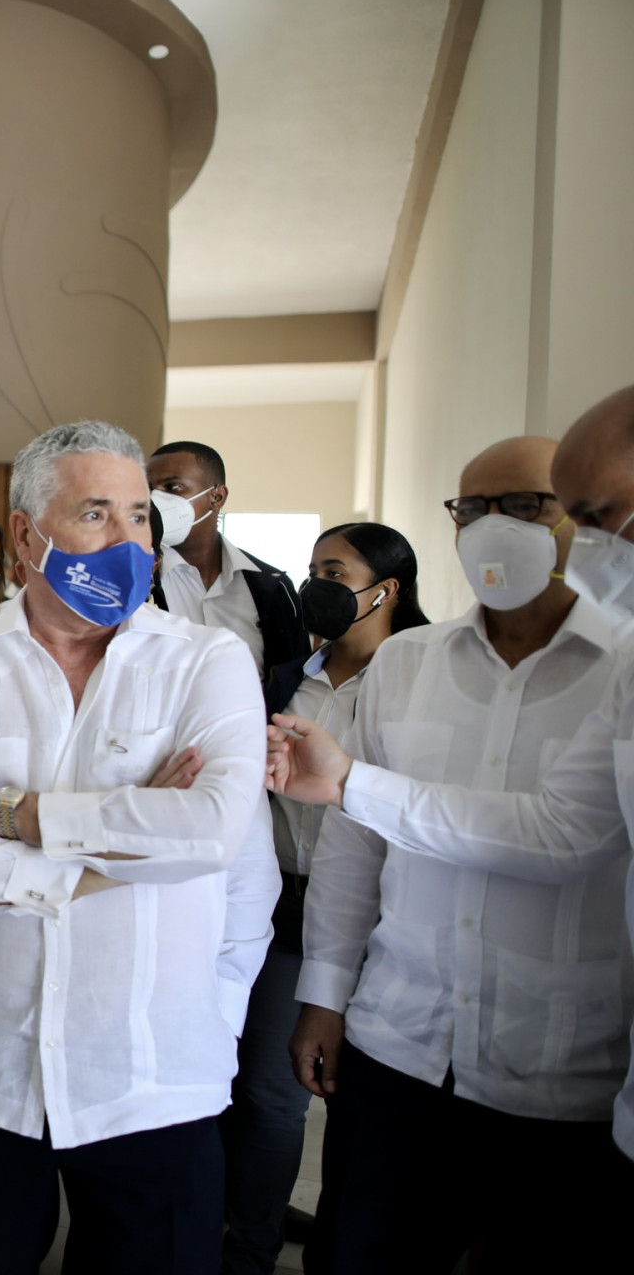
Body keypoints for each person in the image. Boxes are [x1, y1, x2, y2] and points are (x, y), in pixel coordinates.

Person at [0, 420, 265, 1274]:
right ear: (26, 535)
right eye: (96, 514)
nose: (129, 540)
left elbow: (210, 832)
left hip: (153, 1076)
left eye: (139, 515)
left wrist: (10, 814)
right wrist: (107, 862)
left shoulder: (207, 663)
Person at [264, 435, 634, 1273]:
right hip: (400, 1044)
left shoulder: (622, 666)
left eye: (525, 505)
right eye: (474, 508)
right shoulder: (407, 663)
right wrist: (325, 994)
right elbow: (353, 846)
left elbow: (564, 834)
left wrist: (354, 783)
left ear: (580, 521)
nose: (494, 526)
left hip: (565, 1068)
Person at [219, 522, 425, 1275]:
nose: (315, 586)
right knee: (273, 1093)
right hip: (287, 904)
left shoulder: (418, 678)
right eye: (312, 570)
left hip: (390, 909)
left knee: (373, 1106)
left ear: (386, 589)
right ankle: (249, 1251)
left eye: (334, 573)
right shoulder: (285, 679)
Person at [147, 440, 306, 674]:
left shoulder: (270, 586)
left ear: (217, 497)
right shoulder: (141, 577)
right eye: (149, 489)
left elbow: (291, 677)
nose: (155, 499)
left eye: (173, 487)